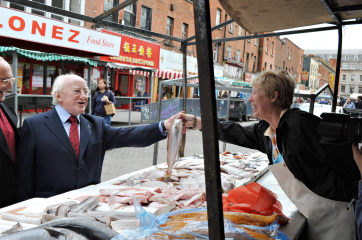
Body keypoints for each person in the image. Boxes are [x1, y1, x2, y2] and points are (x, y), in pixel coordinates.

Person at [179, 70, 360, 240]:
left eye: (255, 92)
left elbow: (345, 157)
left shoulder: (301, 124)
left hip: (336, 213)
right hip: (311, 212)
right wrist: (197, 122)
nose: (250, 98)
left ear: (273, 96)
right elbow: (236, 132)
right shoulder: (265, 131)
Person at [15, 74, 178, 202]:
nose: (84, 96)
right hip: (48, 206)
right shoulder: (34, 125)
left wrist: (164, 126)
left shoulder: (96, 124)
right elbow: (24, 175)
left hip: (88, 203)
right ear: (59, 96)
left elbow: (128, 135)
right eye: (77, 91)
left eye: (86, 91)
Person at [0, 57, 19, 208]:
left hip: (10, 196)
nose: (11, 87)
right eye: (5, 80)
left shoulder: (7, 110)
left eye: (11, 79)